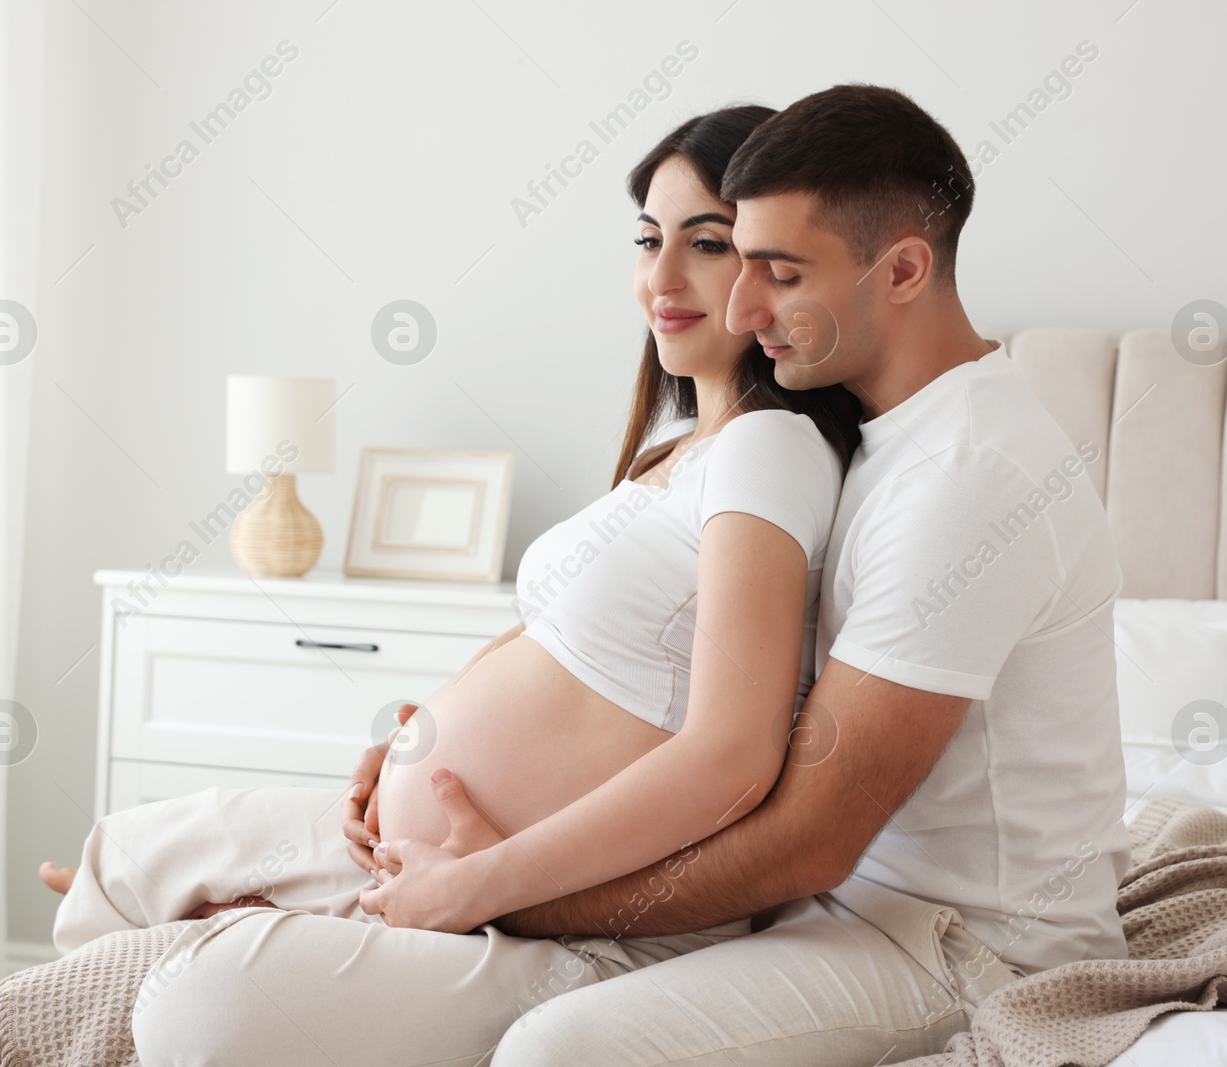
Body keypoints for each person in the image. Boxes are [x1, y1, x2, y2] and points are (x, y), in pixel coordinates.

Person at [131, 84, 1130, 1066]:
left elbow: (806, 835)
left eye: (773, 270)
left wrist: (491, 890)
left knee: (558, 1048)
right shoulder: (870, 437)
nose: (736, 303)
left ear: (902, 270)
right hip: (838, 905)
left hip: (962, 943)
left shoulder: (968, 473)